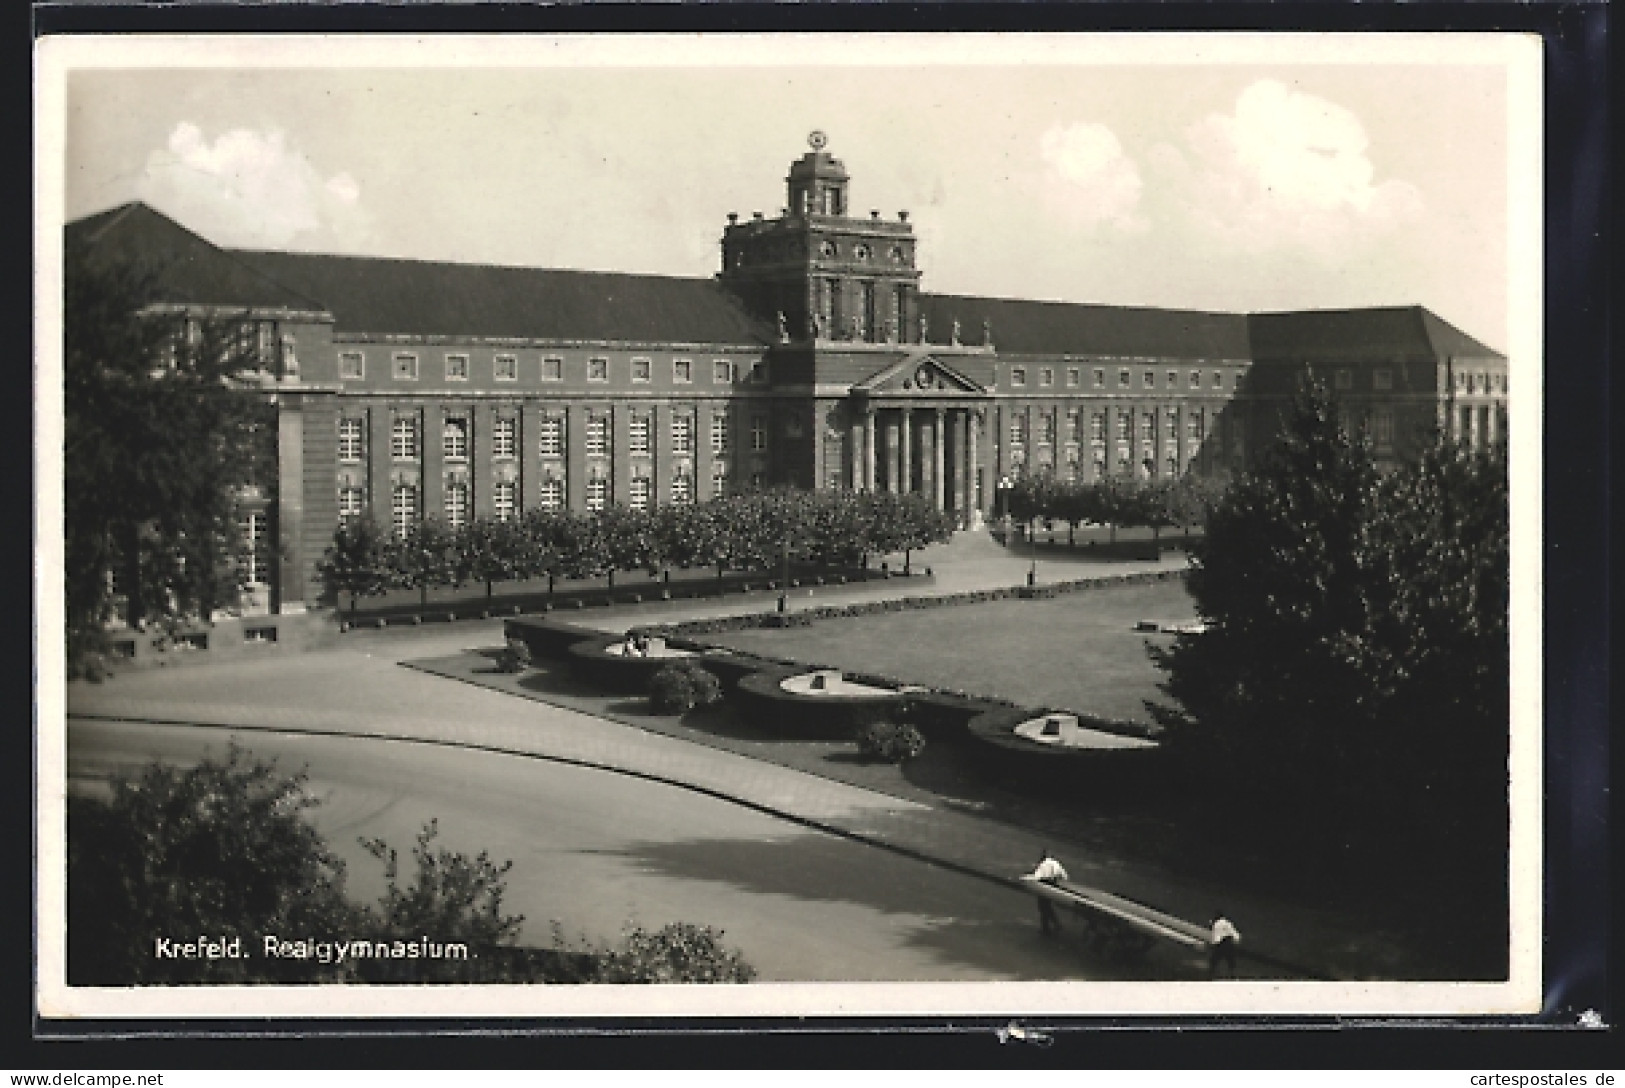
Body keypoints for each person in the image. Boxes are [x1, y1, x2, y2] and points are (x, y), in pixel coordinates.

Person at [1026, 850, 1068, 936]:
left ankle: (1047, 927)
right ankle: (1054, 925)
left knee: (1043, 907)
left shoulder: (1043, 865)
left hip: (1043, 886)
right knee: (1047, 906)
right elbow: (1065, 876)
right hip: (1052, 886)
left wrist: (1028, 877)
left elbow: (1036, 876)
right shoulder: (1056, 863)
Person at [1209, 911, 1241, 977]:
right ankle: (1232, 972)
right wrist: (1236, 939)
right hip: (1229, 942)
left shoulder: (1216, 924)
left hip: (1221, 943)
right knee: (1230, 958)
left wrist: (1213, 944)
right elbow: (1233, 932)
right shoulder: (1228, 923)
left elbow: (1216, 936)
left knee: (1215, 958)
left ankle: (1212, 971)